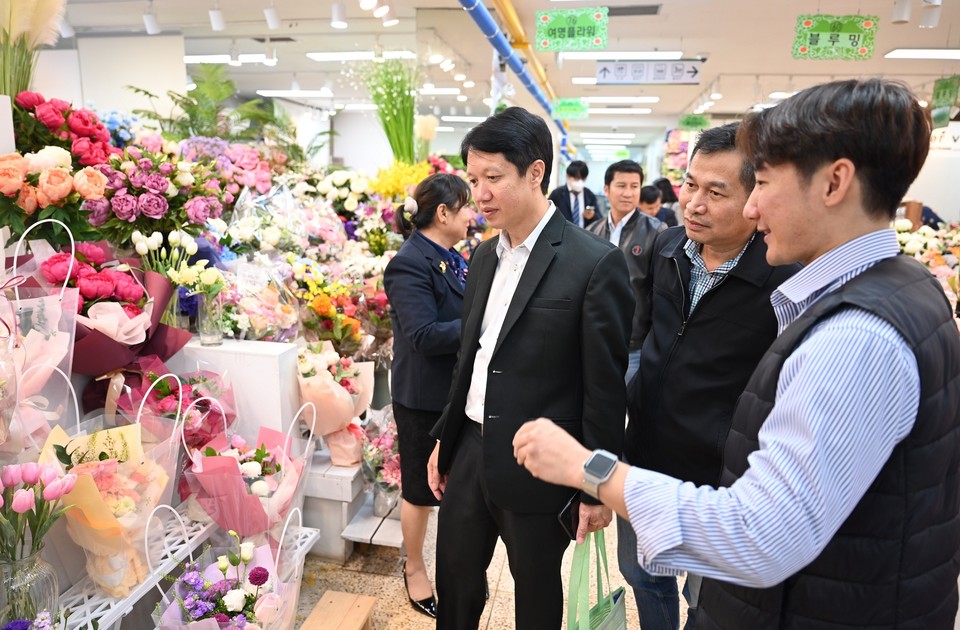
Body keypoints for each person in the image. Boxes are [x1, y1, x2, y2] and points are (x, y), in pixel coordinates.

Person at [513, 78, 960, 628]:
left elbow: (760, 534)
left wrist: (589, 467)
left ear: (834, 182)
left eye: (764, 182)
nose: (752, 205)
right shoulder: (903, 286)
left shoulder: (857, 336)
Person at [427, 106, 633, 630]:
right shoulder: (483, 258)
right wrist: (444, 440)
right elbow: (469, 360)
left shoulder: (593, 262)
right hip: (470, 451)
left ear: (535, 172)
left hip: (542, 462)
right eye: (474, 180)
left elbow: (604, 389)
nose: (480, 194)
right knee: (455, 582)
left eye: (493, 178)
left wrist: (595, 486)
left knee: (537, 594)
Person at [617, 123, 799, 630]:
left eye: (715, 192)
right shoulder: (667, 246)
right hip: (647, 456)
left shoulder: (782, 276)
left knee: (709, 599)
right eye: (690, 184)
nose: (693, 203)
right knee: (642, 573)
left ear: (755, 197)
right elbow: (647, 332)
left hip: (719, 477)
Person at [383, 173, 474, 619]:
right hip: (422, 397)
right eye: (467, 207)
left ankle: (453, 568)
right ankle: (414, 567)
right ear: (444, 213)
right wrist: (480, 328)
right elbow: (421, 334)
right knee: (420, 488)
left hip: (454, 392)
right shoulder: (409, 262)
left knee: (453, 484)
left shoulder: (451, 257)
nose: (473, 216)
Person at [588, 160, 666, 384]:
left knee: (632, 405)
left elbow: (660, 290)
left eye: (634, 186)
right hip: (597, 338)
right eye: (621, 185)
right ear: (606, 189)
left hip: (635, 342)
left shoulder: (656, 232)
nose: (628, 193)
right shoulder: (592, 231)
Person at [548, 160, 600, 228]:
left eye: (583, 179)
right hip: (561, 234)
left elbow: (599, 219)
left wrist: (593, 216)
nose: (580, 182)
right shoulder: (557, 194)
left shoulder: (590, 195)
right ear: (568, 176)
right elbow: (547, 215)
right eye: (577, 178)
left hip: (584, 234)